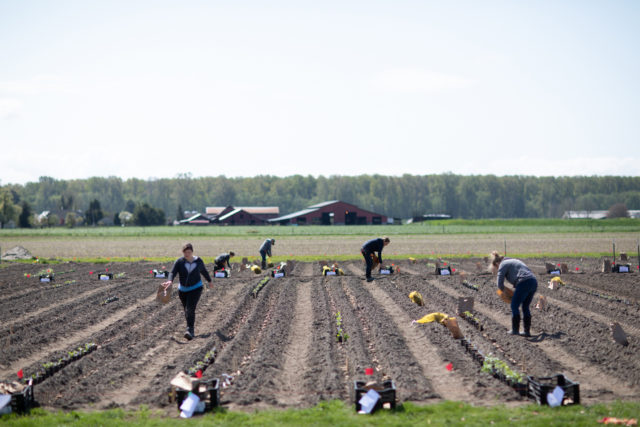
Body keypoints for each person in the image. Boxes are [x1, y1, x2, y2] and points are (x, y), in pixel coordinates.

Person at [163, 243, 212, 340]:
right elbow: (172, 272)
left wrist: (209, 281)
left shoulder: (198, 261)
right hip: (183, 290)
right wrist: (170, 280)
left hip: (196, 288)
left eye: (189, 252)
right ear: (183, 252)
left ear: (192, 252)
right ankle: (189, 327)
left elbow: (204, 271)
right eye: (185, 252)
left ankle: (190, 330)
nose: (187, 254)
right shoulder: (179, 262)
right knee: (186, 310)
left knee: (190, 308)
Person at [489, 251, 537, 337]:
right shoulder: (514, 261)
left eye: (496, 267)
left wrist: (504, 292)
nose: (498, 268)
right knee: (525, 306)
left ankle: (515, 330)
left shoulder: (503, 264)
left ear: (497, 263)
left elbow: (499, 283)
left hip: (523, 282)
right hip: (533, 281)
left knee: (514, 306)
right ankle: (527, 331)